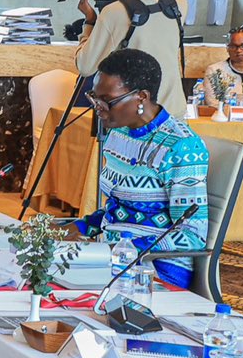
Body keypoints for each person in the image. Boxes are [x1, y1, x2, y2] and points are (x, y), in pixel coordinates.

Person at [84, 47, 210, 290]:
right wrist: (81, 227)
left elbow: (192, 235)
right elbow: (118, 207)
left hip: (157, 269)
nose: (98, 107)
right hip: (112, 258)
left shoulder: (181, 146)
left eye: (107, 101)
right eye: (94, 97)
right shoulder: (117, 133)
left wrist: (127, 249)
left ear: (141, 96)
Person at [75, 0, 190, 117]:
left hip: (134, 117)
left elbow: (85, 66)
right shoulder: (178, 3)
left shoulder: (114, 12)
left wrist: (90, 21)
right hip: (174, 111)